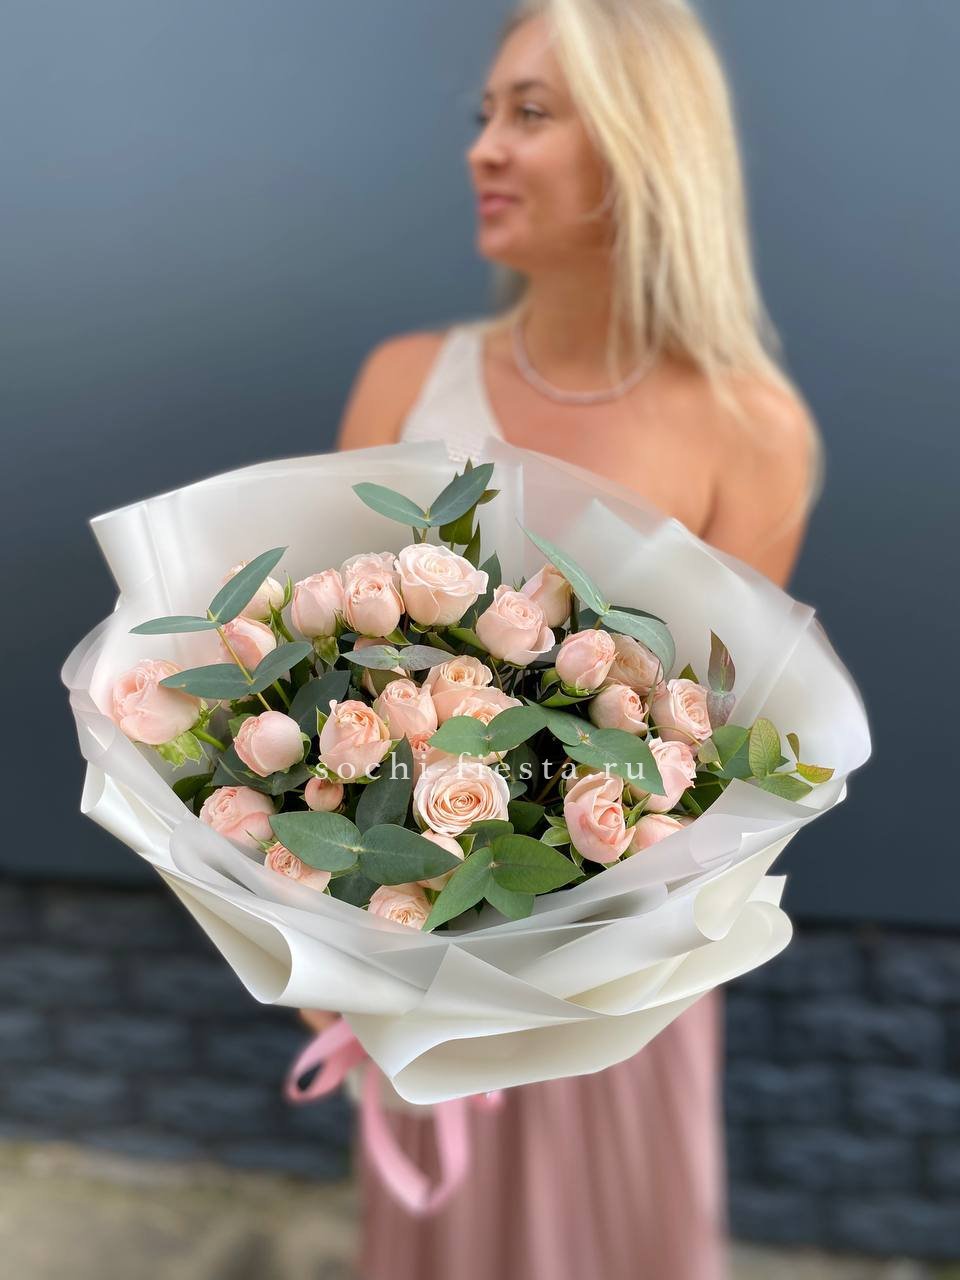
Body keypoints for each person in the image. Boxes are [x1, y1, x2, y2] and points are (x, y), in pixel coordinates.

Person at [301, 1, 823, 1276]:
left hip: (620, 992)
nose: (483, 146)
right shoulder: (403, 378)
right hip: (414, 965)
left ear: (645, 140)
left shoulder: (751, 430)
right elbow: (327, 687)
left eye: (530, 113)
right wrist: (328, 926)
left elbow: (718, 752)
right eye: (485, 113)